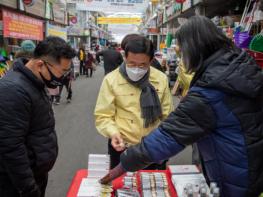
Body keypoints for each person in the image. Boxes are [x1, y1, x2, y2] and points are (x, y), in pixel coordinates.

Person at [100, 16, 263, 197]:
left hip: (234, 171)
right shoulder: (238, 66)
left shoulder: (211, 88)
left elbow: (170, 131)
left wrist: (118, 169)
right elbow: (103, 115)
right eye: (132, 64)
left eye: (181, 50)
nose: (181, 55)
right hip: (248, 160)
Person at [0, 36, 75, 197]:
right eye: (62, 71)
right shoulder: (13, 90)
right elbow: (11, 147)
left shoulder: (34, 81)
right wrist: (29, 189)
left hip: (36, 174)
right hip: (17, 184)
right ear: (40, 64)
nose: (63, 77)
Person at [94, 35, 174, 169]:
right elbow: (103, 116)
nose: (137, 69)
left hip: (154, 147)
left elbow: (167, 115)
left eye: (143, 64)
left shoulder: (160, 79)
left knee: (155, 186)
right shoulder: (111, 80)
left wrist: (164, 143)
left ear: (151, 60)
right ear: (124, 57)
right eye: (132, 63)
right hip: (122, 147)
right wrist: (113, 133)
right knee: (121, 185)